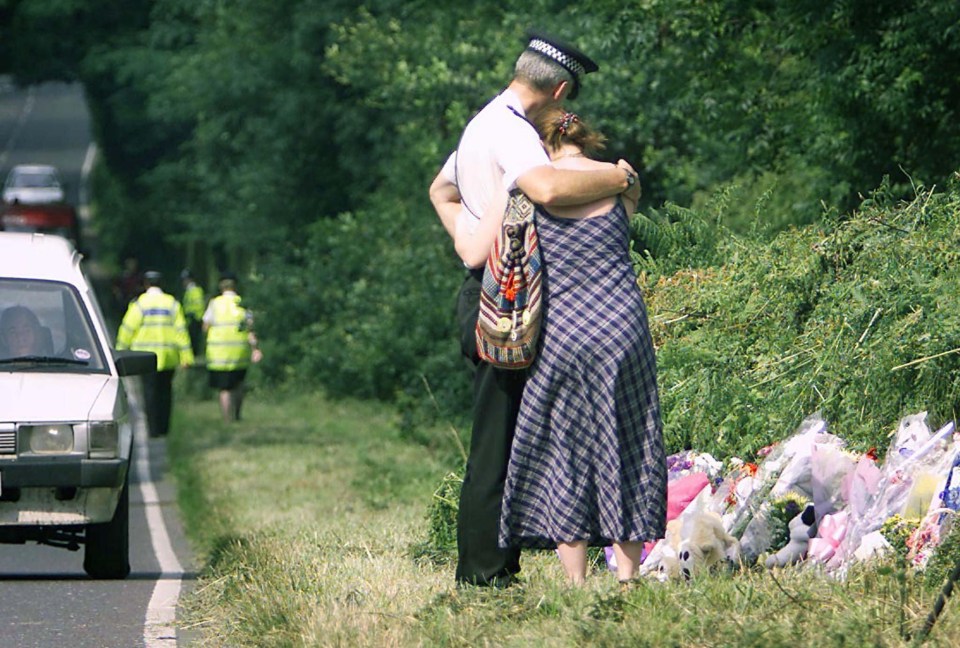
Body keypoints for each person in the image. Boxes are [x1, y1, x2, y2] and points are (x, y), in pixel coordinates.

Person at [428, 29, 641, 588]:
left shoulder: (482, 123)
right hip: (507, 300)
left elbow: (439, 191)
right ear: (560, 90)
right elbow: (547, 189)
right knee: (500, 441)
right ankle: (485, 572)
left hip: (486, 287)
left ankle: (495, 564)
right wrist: (620, 176)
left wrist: (468, 241)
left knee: (503, 434)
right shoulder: (516, 133)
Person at [497, 108, 666, 584]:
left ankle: (575, 581)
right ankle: (628, 576)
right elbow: (628, 215)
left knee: (566, 449)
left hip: (561, 330)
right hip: (622, 326)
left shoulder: (527, 191)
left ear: (543, 145)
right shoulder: (621, 180)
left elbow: (508, 248)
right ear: (587, 138)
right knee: (630, 441)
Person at [116, 270, 194, 437]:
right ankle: (164, 428)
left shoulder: (139, 304)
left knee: (149, 394)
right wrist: (187, 356)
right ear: (162, 284)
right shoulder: (172, 303)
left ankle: (153, 430)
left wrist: (119, 352)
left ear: (145, 284)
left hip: (146, 359)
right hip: (168, 356)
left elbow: (127, 329)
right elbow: (181, 331)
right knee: (166, 392)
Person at [203, 271, 262, 422]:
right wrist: (255, 349)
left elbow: (205, 326)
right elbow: (251, 328)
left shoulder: (214, 304)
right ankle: (237, 415)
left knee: (225, 388)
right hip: (239, 351)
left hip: (219, 353)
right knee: (238, 385)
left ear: (221, 286)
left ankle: (227, 418)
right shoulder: (243, 303)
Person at [180, 268, 206, 357]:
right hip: (190, 319)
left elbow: (198, 306)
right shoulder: (189, 291)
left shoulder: (195, 290)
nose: (184, 282)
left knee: (194, 341)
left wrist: (193, 315)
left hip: (195, 319)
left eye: (185, 279)